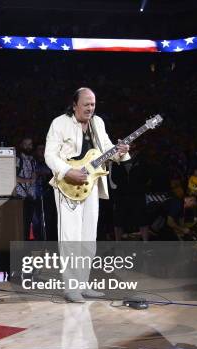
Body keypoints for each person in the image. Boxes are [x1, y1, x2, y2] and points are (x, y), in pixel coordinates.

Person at [44, 87, 129, 302]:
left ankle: (83, 284)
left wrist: (122, 152)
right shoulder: (59, 123)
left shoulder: (98, 123)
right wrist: (67, 171)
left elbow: (108, 149)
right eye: (86, 104)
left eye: (93, 104)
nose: (90, 108)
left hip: (91, 185)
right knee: (70, 237)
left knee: (88, 238)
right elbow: (49, 155)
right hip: (68, 185)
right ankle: (71, 287)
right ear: (74, 105)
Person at [15, 137, 37, 240]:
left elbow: (33, 175)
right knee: (21, 225)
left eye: (30, 144)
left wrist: (34, 177)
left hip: (31, 197)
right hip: (20, 198)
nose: (28, 147)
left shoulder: (32, 160)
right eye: (26, 144)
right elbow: (12, 177)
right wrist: (28, 180)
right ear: (21, 145)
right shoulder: (17, 159)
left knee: (28, 224)